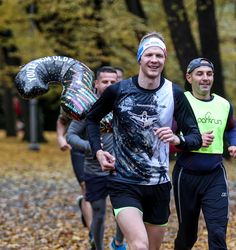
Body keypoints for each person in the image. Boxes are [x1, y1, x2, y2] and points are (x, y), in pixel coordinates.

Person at [85, 32, 202, 250]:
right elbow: (91, 119)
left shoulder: (175, 93)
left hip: (158, 184)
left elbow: (195, 137)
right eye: (149, 54)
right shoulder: (118, 91)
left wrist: (178, 138)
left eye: (159, 55)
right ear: (140, 58)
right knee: (139, 245)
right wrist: (98, 151)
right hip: (123, 181)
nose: (154, 60)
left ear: (164, 60)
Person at [172, 58, 236, 250]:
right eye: (199, 74)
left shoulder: (224, 104)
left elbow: (232, 128)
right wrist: (191, 141)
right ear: (189, 77)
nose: (205, 78)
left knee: (218, 232)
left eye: (209, 74)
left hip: (214, 174)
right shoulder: (181, 102)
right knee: (187, 235)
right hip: (186, 175)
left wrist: (233, 143)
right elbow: (169, 138)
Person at [67, 66, 126, 250]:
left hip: (121, 168)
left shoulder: (124, 106)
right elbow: (71, 136)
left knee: (124, 211)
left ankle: (118, 242)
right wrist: (92, 148)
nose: (109, 85)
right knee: (99, 213)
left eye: (113, 82)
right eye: (105, 82)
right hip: (95, 170)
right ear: (97, 83)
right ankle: (98, 247)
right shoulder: (87, 107)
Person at [56, 109, 93, 242]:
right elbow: (63, 119)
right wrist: (60, 137)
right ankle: (92, 234)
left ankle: (84, 208)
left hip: (104, 146)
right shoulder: (76, 95)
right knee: (86, 188)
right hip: (79, 148)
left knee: (102, 194)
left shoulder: (112, 92)